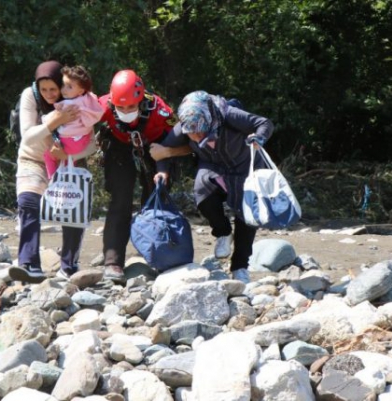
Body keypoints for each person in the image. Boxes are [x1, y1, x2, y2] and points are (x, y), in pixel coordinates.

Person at [153, 90, 274, 283]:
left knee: (247, 216)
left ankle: (240, 267)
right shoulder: (184, 126)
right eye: (191, 133)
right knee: (202, 193)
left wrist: (259, 138)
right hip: (213, 166)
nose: (197, 135)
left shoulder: (229, 115)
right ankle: (223, 232)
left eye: (201, 130)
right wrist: (162, 172)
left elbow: (264, 123)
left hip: (244, 165)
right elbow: (160, 152)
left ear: (210, 119)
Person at [96, 70, 191, 282]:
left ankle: (159, 256)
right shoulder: (102, 105)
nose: (126, 111)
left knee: (156, 198)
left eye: (131, 106)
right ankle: (113, 262)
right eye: (120, 107)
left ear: (140, 100)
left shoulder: (161, 112)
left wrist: (163, 168)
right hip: (119, 147)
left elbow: (178, 142)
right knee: (120, 200)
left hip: (156, 147)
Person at [9, 60, 95, 283]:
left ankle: (68, 265)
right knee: (28, 202)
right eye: (43, 89)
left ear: (62, 86)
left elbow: (92, 143)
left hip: (69, 161)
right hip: (33, 158)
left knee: (73, 211)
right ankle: (29, 264)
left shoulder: (75, 96)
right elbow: (27, 135)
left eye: (53, 89)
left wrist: (67, 157)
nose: (48, 94)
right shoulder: (30, 95)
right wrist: (55, 121)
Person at [43, 65, 103, 178]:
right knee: (67, 163)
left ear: (80, 91)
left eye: (69, 87)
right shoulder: (89, 99)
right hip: (81, 141)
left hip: (68, 141)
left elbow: (51, 118)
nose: (64, 90)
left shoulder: (69, 105)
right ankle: (67, 178)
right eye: (63, 85)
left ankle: (52, 180)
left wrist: (44, 120)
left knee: (48, 155)